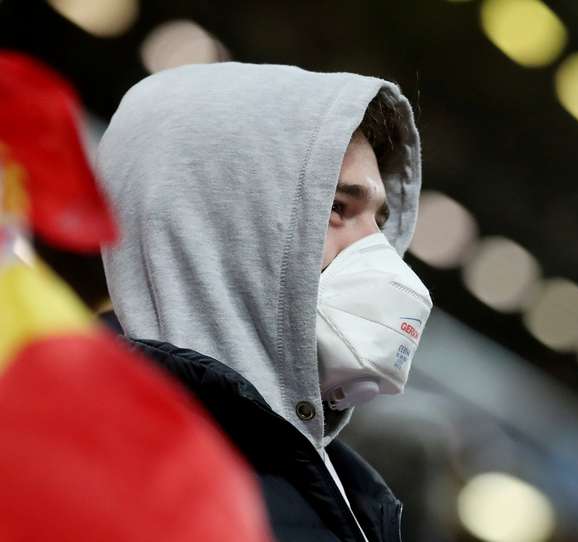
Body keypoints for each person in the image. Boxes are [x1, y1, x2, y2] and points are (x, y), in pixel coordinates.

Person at [97, 63, 433, 542]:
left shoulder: (342, 488)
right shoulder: (74, 453)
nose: (383, 258)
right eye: (337, 208)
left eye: (379, 220)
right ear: (218, 221)